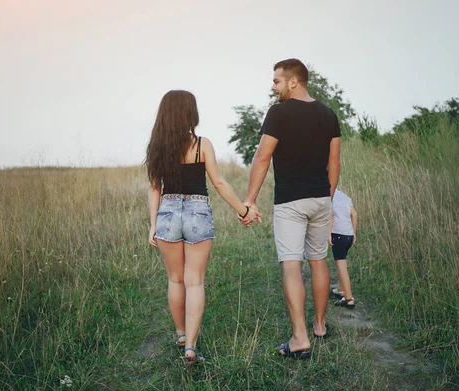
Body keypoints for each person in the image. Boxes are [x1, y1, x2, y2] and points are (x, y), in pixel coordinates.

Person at [146, 90, 259, 366]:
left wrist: (153, 225)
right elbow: (219, 183)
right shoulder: (202, 144)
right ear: (189, 113)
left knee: (175, 279)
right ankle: (191, 348)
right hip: (197, 210)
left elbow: (154, 188)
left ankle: (181, 334)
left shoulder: (157, 147)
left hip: (168, 212)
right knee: (194, 280)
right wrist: (243, 209)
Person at [243, 59, 341, 358]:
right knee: (319, 261)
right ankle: (320, 325)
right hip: (321, 199)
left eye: (276, 81)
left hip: (290, 201)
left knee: (291, 264)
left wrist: (249, 199)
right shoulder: (328, 114)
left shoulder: (279, 112)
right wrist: (328, 197)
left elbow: (262, 158)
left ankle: (300, 338)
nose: (273, 86)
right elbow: (334, 163)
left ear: (293, 82)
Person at [329, 189, 358, 308]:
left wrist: (328, 233)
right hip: (348, 235)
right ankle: (340, 289)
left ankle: (348, 298)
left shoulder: (328, 196)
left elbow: (331, 215)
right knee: (341, 262)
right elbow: (354, 214)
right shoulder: (344, 196)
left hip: (338, 234)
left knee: (341, 266)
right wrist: (354, 233)